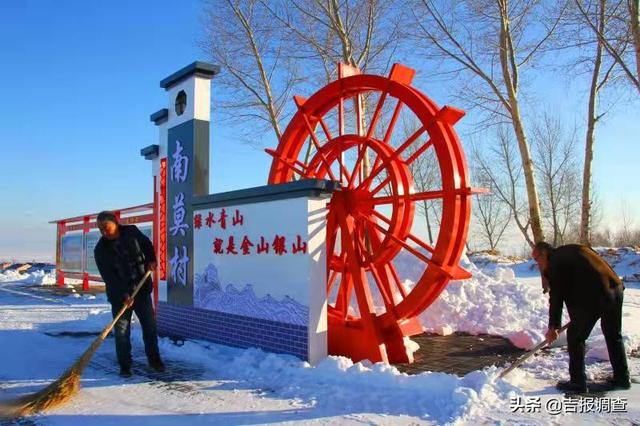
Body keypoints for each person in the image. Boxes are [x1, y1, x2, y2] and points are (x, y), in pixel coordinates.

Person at [532, 242, 630, 393]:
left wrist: (554, 326)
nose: (537, 263)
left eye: (536, 259)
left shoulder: (555, 264)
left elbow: (556, 298)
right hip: (615, 289)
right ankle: (622, 378)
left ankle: (577, 384)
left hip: (596, 295)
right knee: (613, 334)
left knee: (575, 337)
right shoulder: (573, 249)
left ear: (544, 254)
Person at [94, 211, 165, 378]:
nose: (104, 232)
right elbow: (109, 277)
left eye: (106, 228)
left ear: (115, 223)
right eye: (100, 229)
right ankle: (125, 366)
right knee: (122, 331)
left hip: (141, 290)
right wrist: (123, 295)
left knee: (149, 326)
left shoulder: (131, 232)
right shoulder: (100, 250)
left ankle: (155, 361)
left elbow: (147, 245)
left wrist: (151, 260)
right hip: (120, 297)